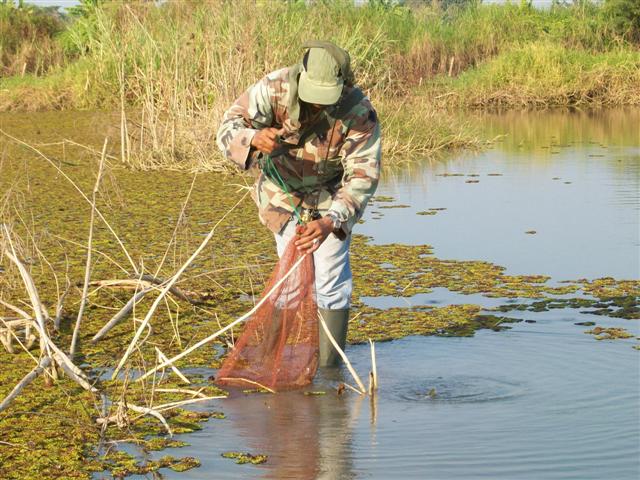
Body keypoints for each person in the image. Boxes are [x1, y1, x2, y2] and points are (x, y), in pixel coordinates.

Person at [216, 40, 381, 367]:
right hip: (283, 193)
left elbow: (364, 176)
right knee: (290, 277)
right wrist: (252, 139)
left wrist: (331, 222)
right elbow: (227, 128)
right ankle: (269, 361)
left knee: (331, 278)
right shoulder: (272, 89)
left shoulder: (359, 112)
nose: (318, 105)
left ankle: (330, 370)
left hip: (331, 195)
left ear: (343, 86)